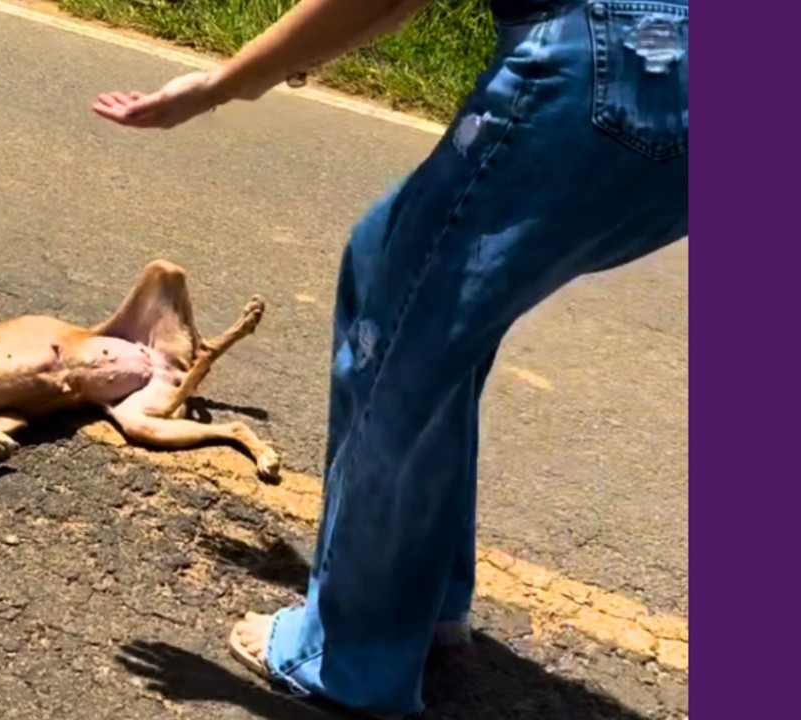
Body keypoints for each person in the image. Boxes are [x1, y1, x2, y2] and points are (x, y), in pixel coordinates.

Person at [94, 0, 688, 716]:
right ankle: (425, 599)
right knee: (399, 279)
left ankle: (349, 659)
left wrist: (223, 83)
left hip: (615, 64)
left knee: (397, 332)